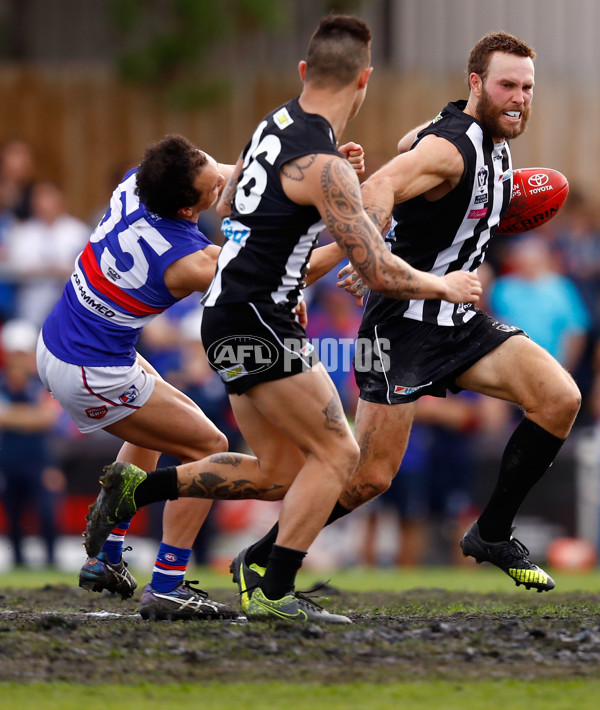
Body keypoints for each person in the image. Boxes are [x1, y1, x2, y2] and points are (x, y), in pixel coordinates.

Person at [82, 14, 481, 624]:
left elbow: (266, 211)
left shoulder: (274, 127)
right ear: (365, 80)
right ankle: (271, 589)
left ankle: (139, 488)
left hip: (226, 316)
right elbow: (377, 272)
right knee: (340, 456)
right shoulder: (324, 168)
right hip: (263, 319)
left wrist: (335, 182)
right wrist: (443, 283)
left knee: (277, 472)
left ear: (303, 72)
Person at [220, 30, 581, 597]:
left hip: (455, 319)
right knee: (369, 477)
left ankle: (491, 533)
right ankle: (260, 557)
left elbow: (413, 140)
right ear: (476, 84)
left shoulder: (490, 138)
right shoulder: (452, 146)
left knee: (560, 397)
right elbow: (383, 184)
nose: (518, 98)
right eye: (507, 85)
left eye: (527, 88)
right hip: (400, 326)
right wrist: (372, 251)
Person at [36, 134, 243, 620]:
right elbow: (270, 279)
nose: (221, 178)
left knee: (154, 428)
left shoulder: (137, 183)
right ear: (192, 210)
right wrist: (348, 236)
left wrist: (321, 167)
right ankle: (168, 583)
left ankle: (106, 556)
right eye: (212, 185)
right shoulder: (193, 261)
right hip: (91, 369)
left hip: (60, 338)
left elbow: (225, 171)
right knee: (209, 448)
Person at [0, 318, 64, 568]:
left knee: (47, 513)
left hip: (39, 460)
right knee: (13, 516)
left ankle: (51, 561)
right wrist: (31, 416)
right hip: (9, 460)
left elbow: (48, 419)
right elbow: (39, 417)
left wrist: (10, 415)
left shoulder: (42, 382)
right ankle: (18, 562)